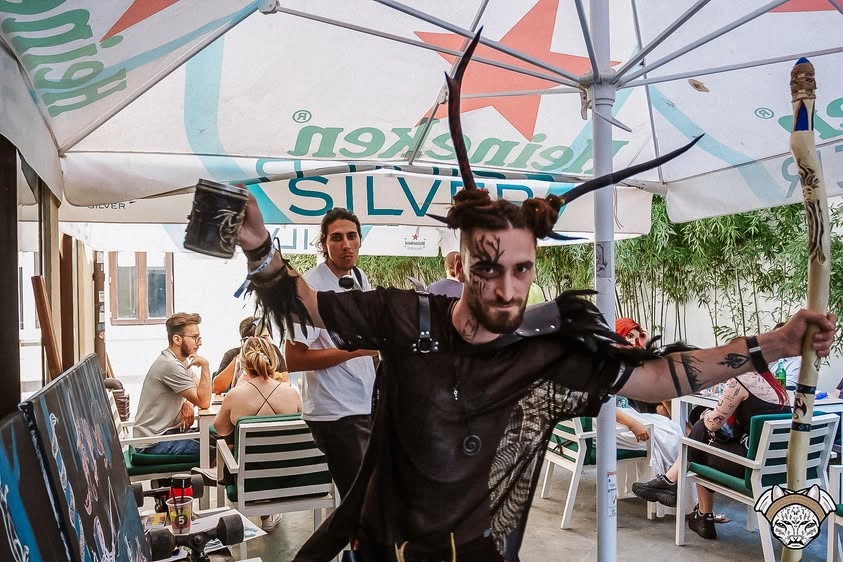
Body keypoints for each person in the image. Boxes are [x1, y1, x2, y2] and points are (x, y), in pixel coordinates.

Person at [231, 39, 835, 561]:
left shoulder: (543, 356)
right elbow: (305, 303)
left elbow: (658, 376)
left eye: (521, 269)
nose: (506, 288)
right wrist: (259, 243)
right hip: (386, 544)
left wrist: (776, 343)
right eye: (488, 268)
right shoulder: (407, 317)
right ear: (462, 264)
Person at [285, 208, 378, 502]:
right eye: (336, 238)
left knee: (374, 498)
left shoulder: (359, 277)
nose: (346, 245)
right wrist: (358, 349)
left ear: (360, 240)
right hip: (336, 413)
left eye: (352, 236)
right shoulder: (310, 288)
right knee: (361, 502)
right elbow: (293, 359)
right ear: (323, 244)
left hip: (365, 404)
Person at [632, 370, 790, 540]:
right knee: (702, 438)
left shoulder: (740, 381)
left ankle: (678, 490)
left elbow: (713, 423)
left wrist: (705, 415)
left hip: (749, 469)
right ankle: (689, 503)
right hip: (776, 469)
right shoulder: (776, 385)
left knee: (701, 437)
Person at [211, 335, 302, 531]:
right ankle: (270, 513)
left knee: (226, 445)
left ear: (244, 364)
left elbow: (220, 429)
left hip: (251, 480)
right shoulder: (292, 393)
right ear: (274, 360)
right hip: (291, 475)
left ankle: (265, 513)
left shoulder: (235, 395)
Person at [133, 312, 212, 457]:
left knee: (217, 438)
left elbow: (198, 391)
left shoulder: (180, 361)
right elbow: (204, 401)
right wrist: (205, 366)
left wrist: (188, 402)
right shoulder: (170, 365)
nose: (199, 343)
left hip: (166, 434)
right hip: (152, 443)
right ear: (177, 339)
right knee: (216, 450)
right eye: (195, 337)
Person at [213, 316, 286, 394]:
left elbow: (285, 380)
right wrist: (237, 361)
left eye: (268, 336)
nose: (269, 341)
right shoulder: (232, 355)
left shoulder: (273, 351)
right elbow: (217, 389)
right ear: (248, 340)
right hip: (242, 398)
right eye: (264, 337)